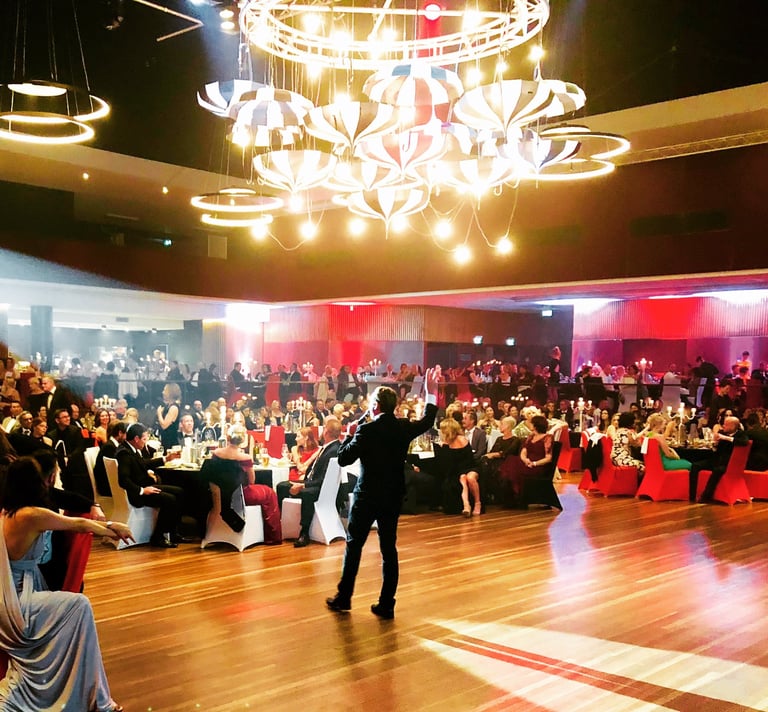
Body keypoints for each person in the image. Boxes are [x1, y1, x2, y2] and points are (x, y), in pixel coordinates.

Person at [0, 456, 131, 711]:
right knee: (79, 605)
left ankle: (81, 685)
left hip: (13, 591)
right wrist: (114, 527)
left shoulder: (7, 513)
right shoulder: (31, 515)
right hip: (17, 600)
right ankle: (98, 698)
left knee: (73, 610)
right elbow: (78, 524)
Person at [326, 367, 438, 620]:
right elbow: (428, 421)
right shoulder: (401, 428)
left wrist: (348, 435)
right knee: (389, 550)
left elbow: (343, 460)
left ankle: (344, 598)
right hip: (393, 496)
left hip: (367, 496)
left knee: (354, 547)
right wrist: (432, 393)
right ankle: (387, 604)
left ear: (375, 406)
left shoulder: (366, 431)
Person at [207, 425, 282, 544]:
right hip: (238, 496)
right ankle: (272, 536)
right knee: (270, 493)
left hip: (219, 495)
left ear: (227, 437)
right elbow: (251, 481)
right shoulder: (245, 458)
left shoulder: (216, 454)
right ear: (243, 440)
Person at [115, 423, 186, 548]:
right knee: (170, 499)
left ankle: (173, 532)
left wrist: (166, 459)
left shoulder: (130, 449)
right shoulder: (124, 454)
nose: (145, 442)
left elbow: (142, 464)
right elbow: (123, 480)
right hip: (137, 494)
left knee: (179, 491)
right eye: (144, 439)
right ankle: (158, 537)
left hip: (145, 487)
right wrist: (142, 490)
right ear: (136, 439)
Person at [276, 418, 342, 548]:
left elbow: (323, 479)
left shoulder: (334, 450)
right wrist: (301, 482)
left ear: (326, 432)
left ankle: (304, 532)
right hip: (311, 483)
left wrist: (303, 485)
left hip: (321, 489)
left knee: (306, 493)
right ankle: (280, 525)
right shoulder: (328, 447)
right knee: (282, 486)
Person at [499, 414, 554, 507]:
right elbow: (523, 452)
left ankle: (517, 495)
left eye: (531, 423)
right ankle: (513, 496)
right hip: (527, 462)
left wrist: (535, 463)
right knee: (511, 460)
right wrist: (525, 460)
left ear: (536, 425)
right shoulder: (530, 437)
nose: (529, 424)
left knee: (512, 468)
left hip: (538, 465)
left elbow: (548, 458)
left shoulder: (547, 437)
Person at [691, 415, 749, 502]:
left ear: (733, 426)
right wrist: (715, 444)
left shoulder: (741, 434)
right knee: (695, 465)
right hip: (717, 460)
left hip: (729, 463)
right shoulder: (722, 432)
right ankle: (692, 495)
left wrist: (725, 438)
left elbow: (744, 442)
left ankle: (706, 496)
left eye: (726, 425)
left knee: (717, 471)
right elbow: (716, 450)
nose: (723, 426)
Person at [435, 416, 482, 516]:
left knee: (469, 477)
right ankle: (466, 506)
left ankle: (478, 503)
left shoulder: (461, 439)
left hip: (470, 467)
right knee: (462, 478)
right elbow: (448, 463)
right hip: (459, 471)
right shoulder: (447, 443)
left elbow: (469, 460)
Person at [156, 383, 181, 451]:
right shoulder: (168, 406)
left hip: (171, 442)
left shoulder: (173, 407)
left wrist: (159, 414)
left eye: (165, 390)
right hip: (165, 440)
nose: (163, 392)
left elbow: (164, 425)